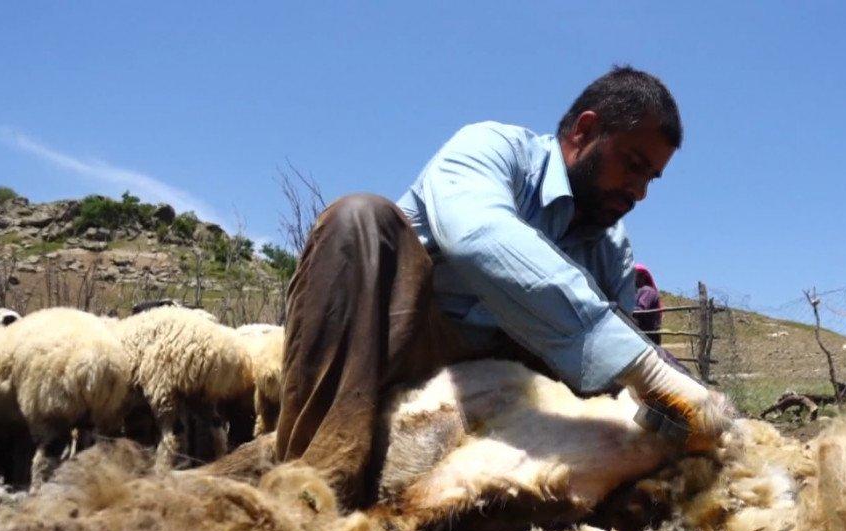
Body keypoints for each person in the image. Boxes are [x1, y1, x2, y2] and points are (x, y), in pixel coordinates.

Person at [276, 66, 730, 507]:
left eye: (650, 178)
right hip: (410, 344)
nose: (640, 191)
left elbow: (622, 364)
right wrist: (642, 366)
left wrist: (687, 413)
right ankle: (315, 487)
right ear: (585, 131)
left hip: (511, 382)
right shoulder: (492, 149)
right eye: (633, 165)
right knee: (361, 219)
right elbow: (475, 235)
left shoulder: (611, 246)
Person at [633, 263, 663, 344]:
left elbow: (640, 310)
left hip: (647, 335)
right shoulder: (638, 292)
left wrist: (624, 309)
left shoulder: (647, 291)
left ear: (642, 277)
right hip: (643, 335)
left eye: (634, 275)